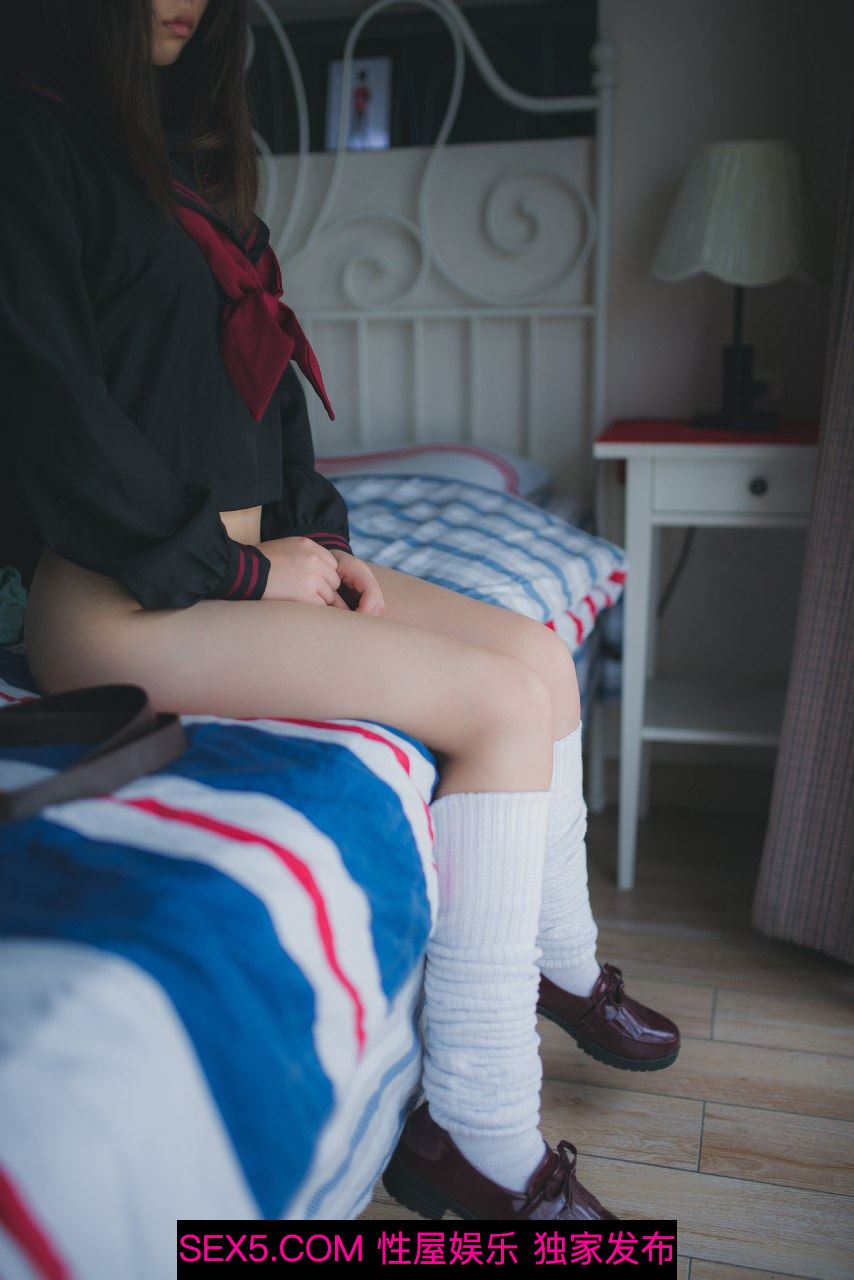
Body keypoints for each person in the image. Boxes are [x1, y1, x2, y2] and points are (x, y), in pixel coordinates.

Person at [0, 0, 680, 1221]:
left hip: (251, 558)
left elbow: (265, 409)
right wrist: (247, 573)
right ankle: (474, 1132)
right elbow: (57, 426)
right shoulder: (30, 139)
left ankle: (557, 962)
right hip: (121, 594)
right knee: (491, 706)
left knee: (534, 653)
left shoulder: (189, 172)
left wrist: (318, 540)